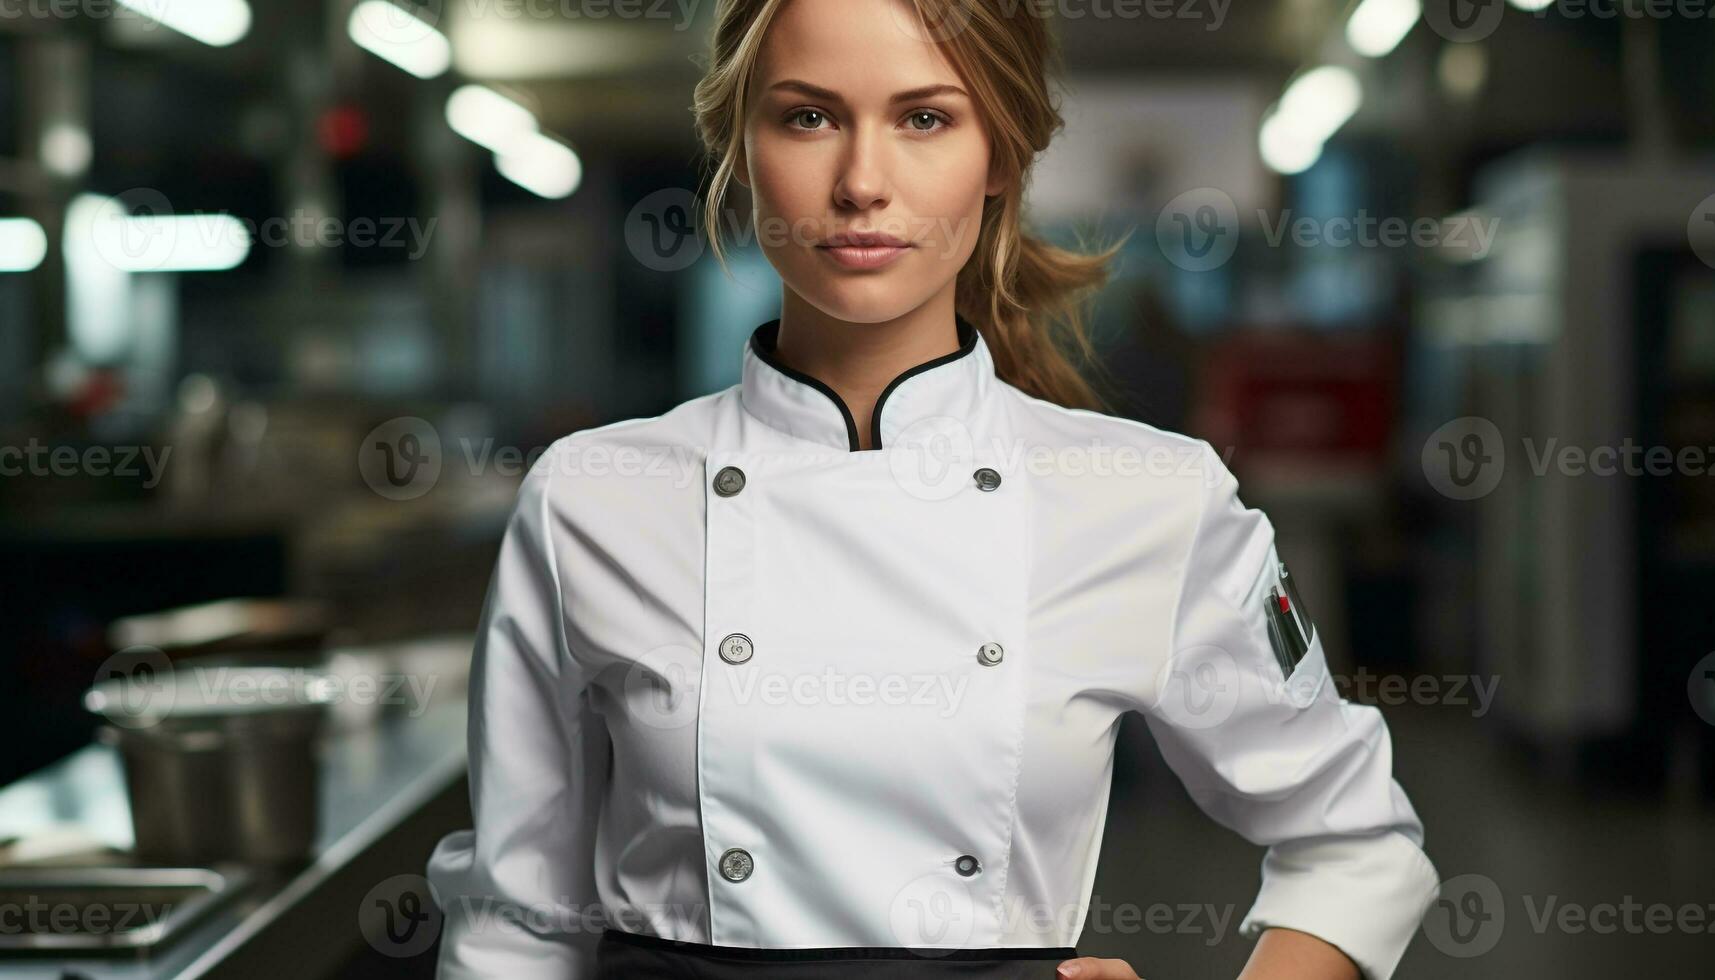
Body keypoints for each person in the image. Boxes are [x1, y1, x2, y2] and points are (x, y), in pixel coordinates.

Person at [425, 1, 1440, 977]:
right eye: (809, 116)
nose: (862, 181)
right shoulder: (591, 500)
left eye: (923, 118)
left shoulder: (1145, 497)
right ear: (741, 146)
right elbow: (518, 922)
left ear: (998, 153)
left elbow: (1354, 843)